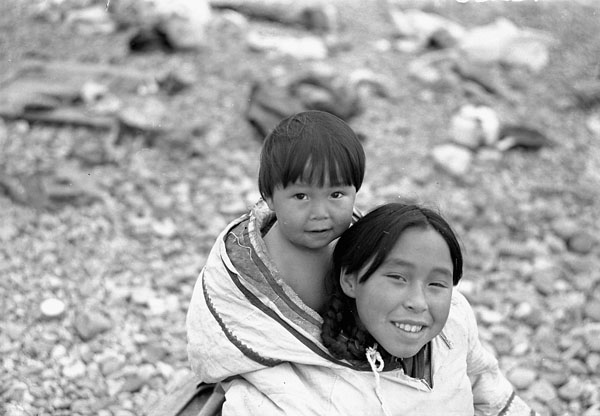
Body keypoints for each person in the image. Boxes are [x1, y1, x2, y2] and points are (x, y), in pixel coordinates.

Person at [185, 110, 366, 411]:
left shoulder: (359, 243)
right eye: (301, 197)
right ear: (269, 197)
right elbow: (231, 322)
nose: (320, 212)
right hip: (278, 368)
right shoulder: (253, 265)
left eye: (336, 194)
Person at [318, 202, 537, 415]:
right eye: (398, 277)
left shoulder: (454, 321)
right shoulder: (322, 391)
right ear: (350, 280)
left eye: (436, 284)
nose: (419, 303)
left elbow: (489, 392)